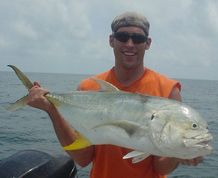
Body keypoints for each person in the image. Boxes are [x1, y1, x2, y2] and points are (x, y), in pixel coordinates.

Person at [27, 12, 203, 178]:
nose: (129, 44)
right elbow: (83, 158)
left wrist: (180, 152)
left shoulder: (168, 90)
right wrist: (52, 110)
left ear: (147, 43)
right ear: (112, 40)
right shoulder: (88, 88)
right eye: (122, 37)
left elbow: (160, 167)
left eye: (138, 38)